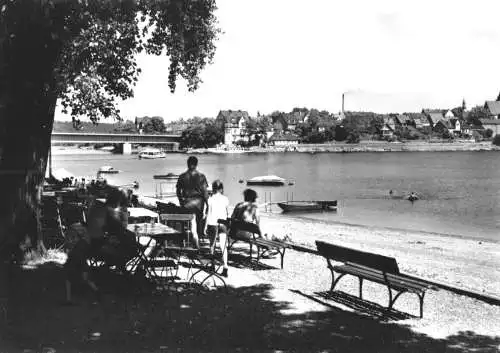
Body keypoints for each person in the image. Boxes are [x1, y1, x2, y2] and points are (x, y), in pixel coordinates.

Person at [176, 156, 209, 248]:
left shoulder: (182, 176)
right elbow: (205, 192)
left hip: (186, 204)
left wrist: (181, 202)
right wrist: (208, 205)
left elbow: (178, 191)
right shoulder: (201, 176)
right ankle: (197, 245)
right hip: (199, 204)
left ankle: (190, 242)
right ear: (196, 164)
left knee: (190, 223)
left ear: (187, 164)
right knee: (197, 224)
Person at [204, 180, 230, 277]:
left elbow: (208, 214)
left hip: (212, 224)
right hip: (222, 224)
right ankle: (225, 267)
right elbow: (227, 213)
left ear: (213, 189)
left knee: (212, 245)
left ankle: (213, 265)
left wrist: (205, 226)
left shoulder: (210, 199)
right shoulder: (226, 199)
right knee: (223, 246)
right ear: (221, 189)